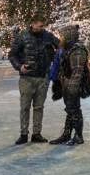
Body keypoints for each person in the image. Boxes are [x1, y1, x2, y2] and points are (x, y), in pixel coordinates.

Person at [8, 16, 59, 144]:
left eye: (43, 26)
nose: (42, 28)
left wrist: (54, 61)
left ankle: (37, 133)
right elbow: (12, 54)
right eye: (40, 25)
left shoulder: (48, 36)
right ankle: (24, 134)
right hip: (27, 78)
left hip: (43, 77)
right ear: (32, 24)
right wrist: (20, 66)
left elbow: (60, 46)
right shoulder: (22, 36)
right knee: (25, 107)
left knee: (39, 107)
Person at [50, 25, 90, 146]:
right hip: (66, 83)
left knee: (74, 109)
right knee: (70, 109)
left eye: (62, 36)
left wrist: (72, 88)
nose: (61, 38)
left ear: (69, 36)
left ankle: (78, 136)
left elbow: (77, 71)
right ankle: (67, 134)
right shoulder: (67, 48)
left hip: (73, 85)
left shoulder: (77, 50)